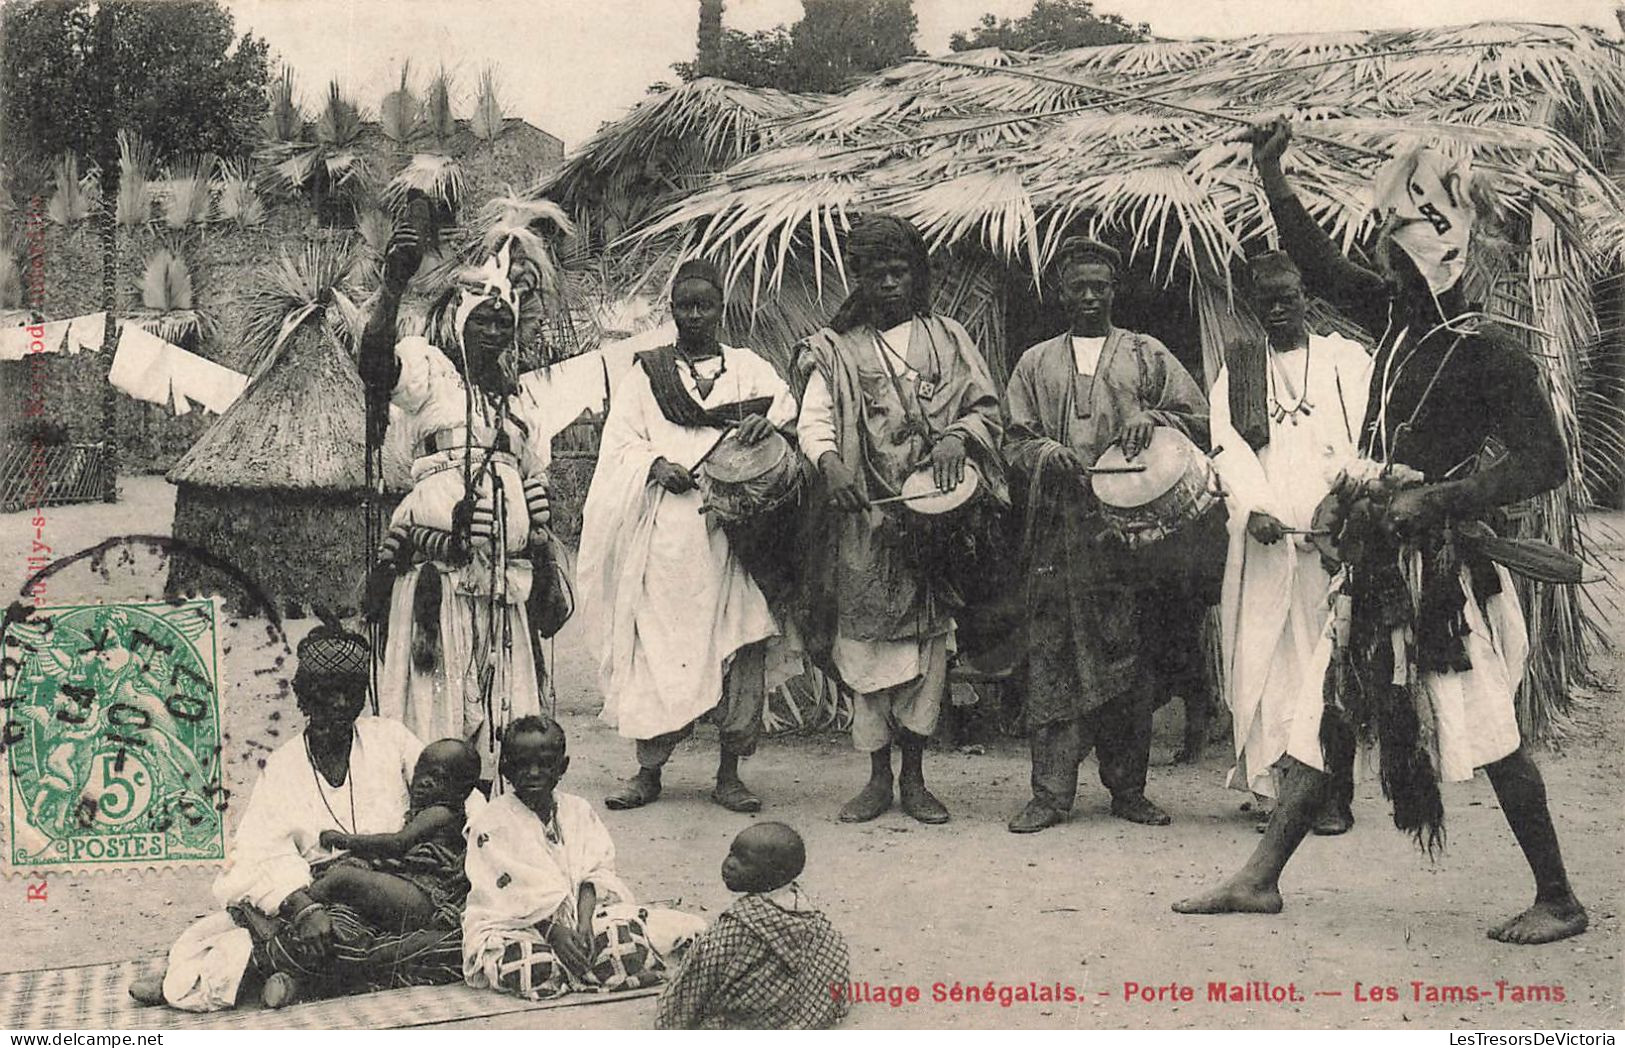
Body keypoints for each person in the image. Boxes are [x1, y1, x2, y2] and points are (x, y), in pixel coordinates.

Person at [1175, 118, 1588, 946]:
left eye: (1395, 252)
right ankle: (1259, 878)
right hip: (1375, 563)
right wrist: (1273, 177)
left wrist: (1436, 501)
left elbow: (1544, 463)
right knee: (1325, 707)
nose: (1381, 264)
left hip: (1440, 581)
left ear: (1434, 258)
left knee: (1489, 731)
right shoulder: (1401, 320)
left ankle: (1558, 897)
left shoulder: (1485, 355)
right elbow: (1322, 266)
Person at [791, 213, 1006, 825]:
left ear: (916, 275)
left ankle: (915, 778)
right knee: (865, 651)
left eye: (900, 271)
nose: (890, 283)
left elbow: (985, 408)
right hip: (866, 521)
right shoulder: (836, 350)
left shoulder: (949, 338)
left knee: (929, 650)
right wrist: (829, 463)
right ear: (857, 277)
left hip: (939, 522)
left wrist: (958, 439)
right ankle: (875, 779)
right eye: (876, 273)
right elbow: (815, 420)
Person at [130, 623, 463, 1012]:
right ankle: (263, 972)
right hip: (328, 899)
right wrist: (302, 905)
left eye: (351, 692)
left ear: (363, 696)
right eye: (327, 692)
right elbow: (259, 851)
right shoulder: (284, 766)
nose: (340, 704)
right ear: (303, 696)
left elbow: (454, 793)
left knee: (434, 940)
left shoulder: (391, 739)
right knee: (332, 934)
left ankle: (233, 974)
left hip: (399, 891)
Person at [1001, 237, 1212, 833]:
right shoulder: (1035, 362)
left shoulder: (1147, 354)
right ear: (1060, 293)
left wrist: (1157, 416)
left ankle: (1128, 788)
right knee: (1052, 659)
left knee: (1132, 661)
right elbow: (1011, 437)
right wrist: (1046, 452)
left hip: (1132, 538)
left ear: (1115, 291)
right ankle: (1050, 794)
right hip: (1058, 537)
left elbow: (1199, 418)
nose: (1089, 296)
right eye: (1078, 287)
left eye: (1100, 286)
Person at [577, 259, 798, 814]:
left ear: (721, 309)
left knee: (739, 643)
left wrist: (765, 424)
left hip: (732, 537)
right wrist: (653, 465)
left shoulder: (750, 370)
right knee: (655, 652)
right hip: (665, 537)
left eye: (704, 305)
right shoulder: (646, 374)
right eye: (684, 305)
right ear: (671, 311)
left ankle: (729, 775)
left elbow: (789, 414)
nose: (694, 315)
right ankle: (648, 772)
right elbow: (620, 444)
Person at [360, 199, 560, 776]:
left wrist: (538, 540)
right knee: (439, 717)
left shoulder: (520, 403)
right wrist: (394, 286)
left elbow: (536, 483)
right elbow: (374, 364)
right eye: (484, 320)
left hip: (505, 586)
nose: (496, 330)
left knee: (508, 721)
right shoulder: (431, 377)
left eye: (505, 321)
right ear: (456, 322)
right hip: (437, 582)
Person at [1209, 251, 1372, 835]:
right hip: (1264, 544)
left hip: (1331, 544)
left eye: (1288, 296)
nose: (1278, 309)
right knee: (1263, 660)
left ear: (1308, 295)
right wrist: (1254, 508)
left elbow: (1369, 436)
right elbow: (1226, 446)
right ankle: (1277, 791)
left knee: (1327, 665)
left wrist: (1339, 505)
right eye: (1267, 300)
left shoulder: (1343, 361)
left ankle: (1331, 796)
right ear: (1255, 305)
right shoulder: (1241, 368)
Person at [462, 716, 706, 999]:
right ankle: (583, 971)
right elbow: (505, 892)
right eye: (522, 764)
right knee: (531, 968)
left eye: (545, 763)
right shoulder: (491, 821)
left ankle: (581, 966)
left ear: (562, 766)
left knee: (623, 945)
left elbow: (594, 872)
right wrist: (552, 931)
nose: (533, 773)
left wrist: (585, 923)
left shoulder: (578, 810)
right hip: (518, 926)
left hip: (580, 916)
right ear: (505, 769)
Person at [655, 823, 850, 1030]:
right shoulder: (811, 916)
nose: (730, 864)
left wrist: (669, 1022)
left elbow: (696, 979)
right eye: (732, 853)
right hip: (796, 1015)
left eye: (744, 861)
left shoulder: (736, 925)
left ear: (777, 873)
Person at [308, 738, 480, 930]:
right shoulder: (425, 812)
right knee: (348, 871)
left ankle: (298, 911)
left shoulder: (441, 812)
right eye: (420, 772)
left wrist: (346, 840)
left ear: (462, 792)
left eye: (436, 777)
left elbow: (397, 843)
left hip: (426, 899)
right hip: (412, 892)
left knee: (343, 878)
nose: (423, 782)